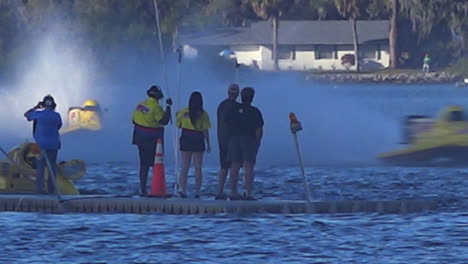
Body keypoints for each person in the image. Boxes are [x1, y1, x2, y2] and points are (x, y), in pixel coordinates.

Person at [132, 85, 172, 195]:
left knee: (143, 164)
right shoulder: (156, 108)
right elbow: (164, 121)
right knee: (156, 163)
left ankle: (143, 189)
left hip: (139, 136)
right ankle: (157, 188)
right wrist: (168, 107)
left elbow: (133, 120)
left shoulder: (140, 104)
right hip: (151, 138)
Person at [227, 87, 263, 200]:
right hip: (249, 139)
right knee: (248, 167)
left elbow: (227, 123)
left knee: (234, 166)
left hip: (234, 139)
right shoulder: (255, 111)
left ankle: (233, 192)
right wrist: (257, 143)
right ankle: (248, 193)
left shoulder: (233, 109)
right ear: (252, 97)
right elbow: (259, 129)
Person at [24, 95, 62, 194]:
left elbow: (26, 115)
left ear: (43, 104)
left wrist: (36, 107)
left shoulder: (38, 114)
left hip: (41, 146)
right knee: (52, 167)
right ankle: (51, 190)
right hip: (53, 145)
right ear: (53, 105)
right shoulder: (57, 116)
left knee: (40, 167)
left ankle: (39, 190)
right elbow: (59, 126)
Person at [176, 91, 211, 198]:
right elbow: (205, 130)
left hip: (186, 136)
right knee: (198, 167)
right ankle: (197, 191)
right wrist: (208, 143)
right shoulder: (203, 114)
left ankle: (183, 190)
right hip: (198, 138)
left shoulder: (183, 111)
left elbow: (178, 125)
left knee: (185, 166)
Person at [215, 84, 240, 200]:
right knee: (234, 166)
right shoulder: (236, 107)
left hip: (222, 139)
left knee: (224, 167)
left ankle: (220, 191)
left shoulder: (221, 105)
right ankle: (233, 191)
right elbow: (228, 121)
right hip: (232, 139)